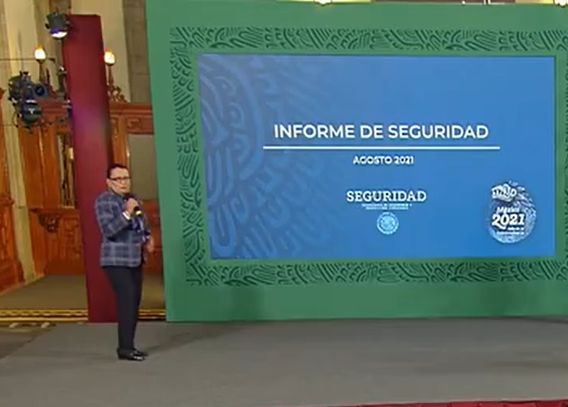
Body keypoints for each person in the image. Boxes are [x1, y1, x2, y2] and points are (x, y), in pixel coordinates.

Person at [94, 163, 154, 362]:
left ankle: (129, 345)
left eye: (126, 178)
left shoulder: (133, 199)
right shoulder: (104, 201)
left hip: (135, 258)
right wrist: (126, 213)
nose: (123, 182)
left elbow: (141, 224)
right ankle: (125, 348)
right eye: (118, 179)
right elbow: (109, 230)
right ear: (109, 182)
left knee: (134, 301)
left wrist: (148, 238)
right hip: (115, 260)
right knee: (127, 300)